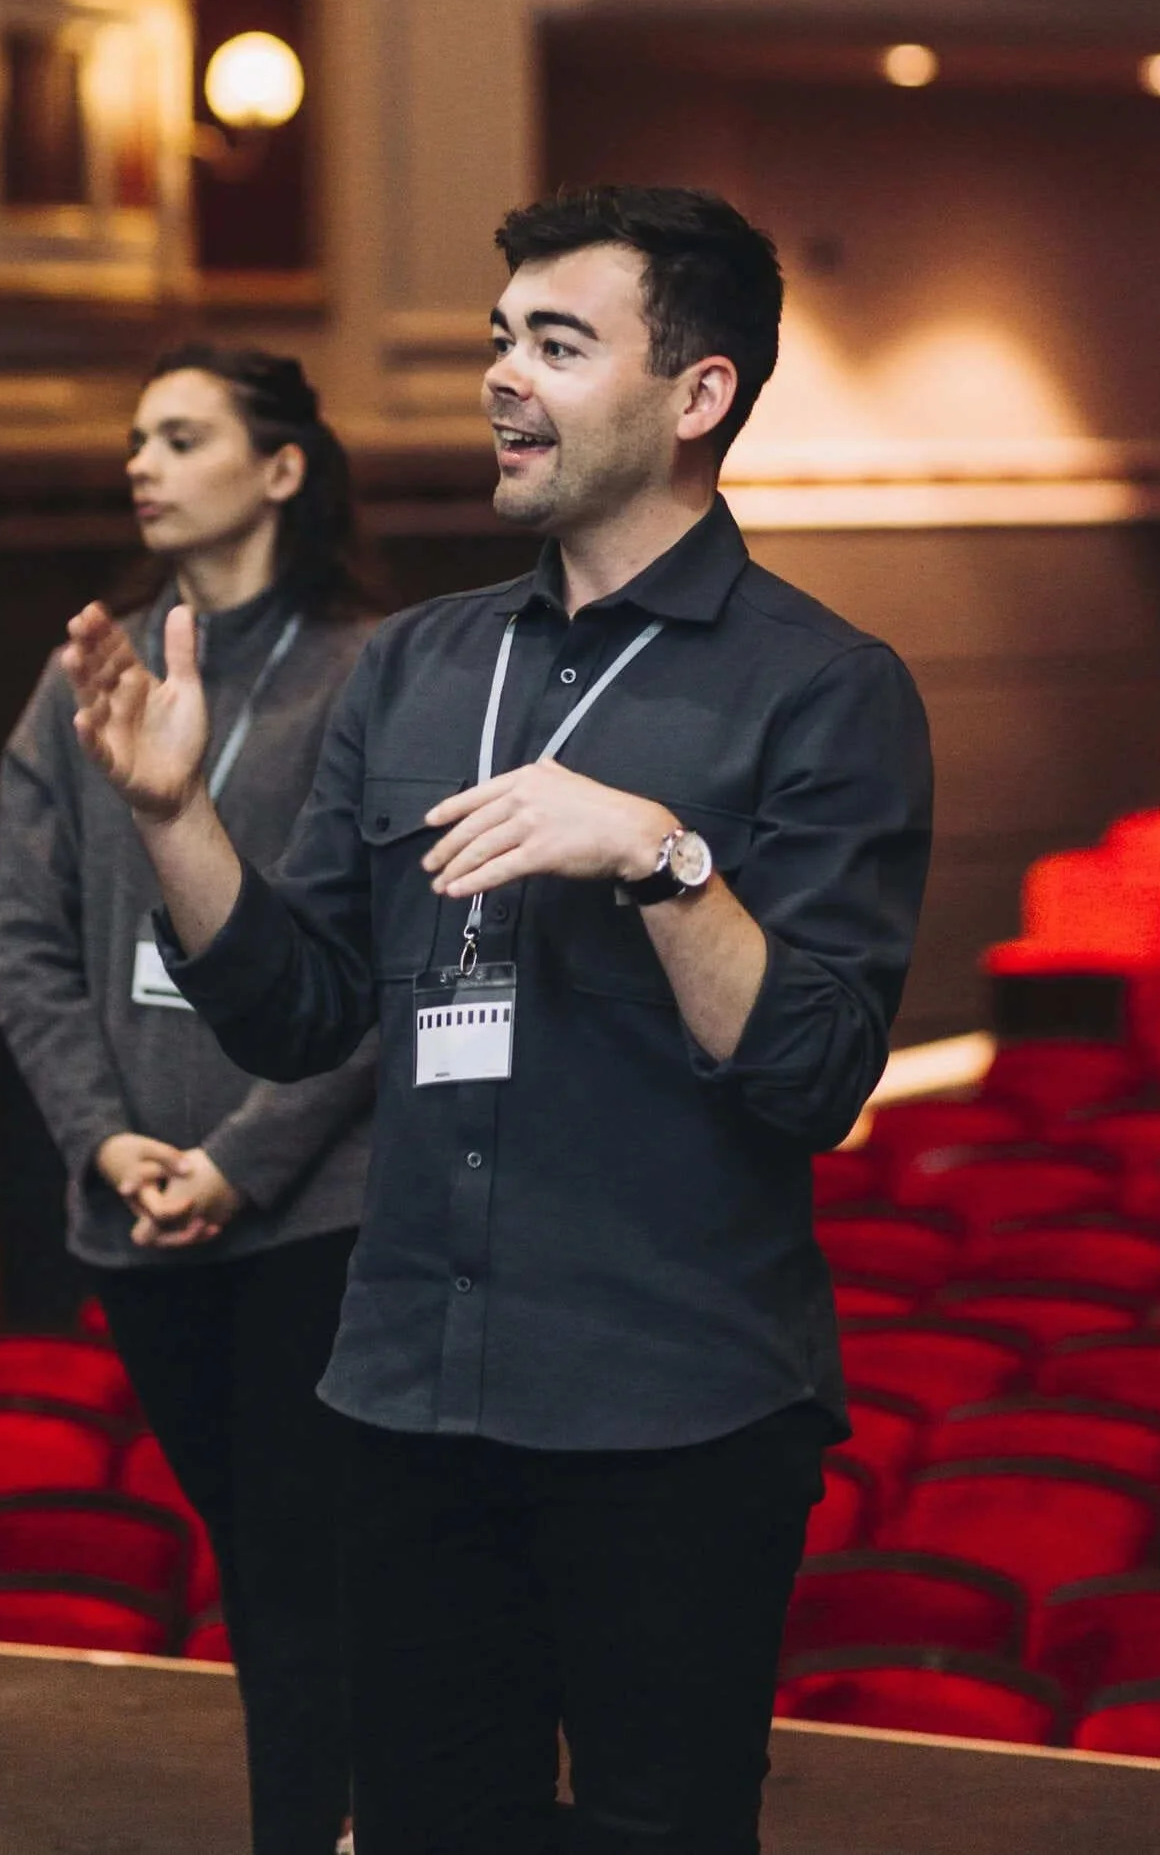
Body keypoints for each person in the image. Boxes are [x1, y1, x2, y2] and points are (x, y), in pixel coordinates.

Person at [62, 187, 934, 1855]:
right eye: (496, 342)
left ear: (698, 397)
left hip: (669, 1410)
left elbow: (814, 1078)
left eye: (557, 342)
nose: (500, 380)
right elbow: (300, 1013)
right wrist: (175, 820)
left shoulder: (821, 688)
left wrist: (665, 861)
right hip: (405, 1396)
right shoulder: (419, 669)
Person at [0, 344, 375, 1855]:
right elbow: (25, 944)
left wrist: (243, 1160)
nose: (140, 461)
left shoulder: (365, 670)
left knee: (299, 1564)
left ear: (279, 468)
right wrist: (104, 1139)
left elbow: (383, 969)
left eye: (180, 434)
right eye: (133, 435)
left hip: (307, 1214)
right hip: (134, 1206)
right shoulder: (82, 679)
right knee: (254, 1558)